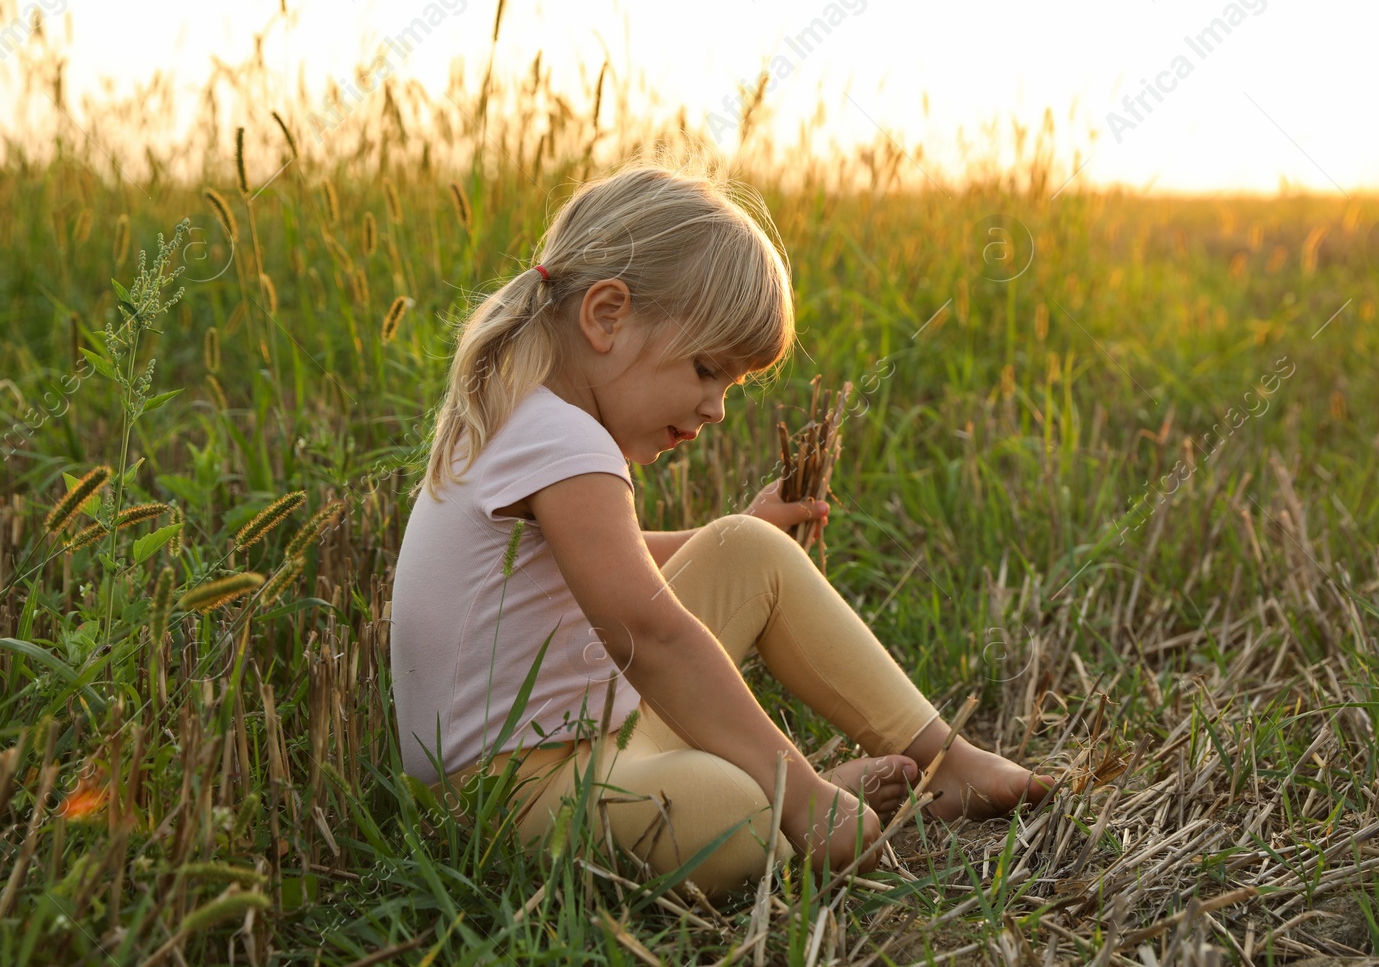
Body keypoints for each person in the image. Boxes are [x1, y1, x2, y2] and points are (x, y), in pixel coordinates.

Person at [389, 156, 1054, 901]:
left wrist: (732, 528)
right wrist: (800, 790)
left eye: (731, 386)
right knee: (728, 817)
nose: (716, 408)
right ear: (607, 314)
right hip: (515, 802)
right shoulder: (564, 440)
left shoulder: (523, 409)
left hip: (587, 748)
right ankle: (802, 803)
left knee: (747, 547)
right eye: (708, 370)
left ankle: (943, 760)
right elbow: (650, 635)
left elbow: (598, 566)